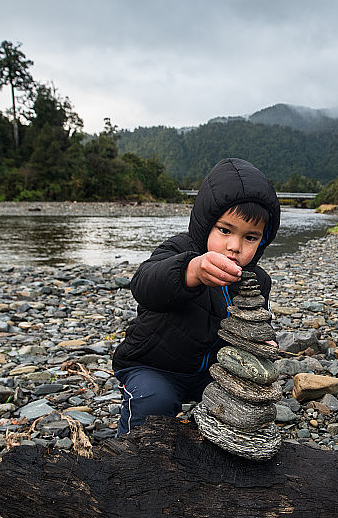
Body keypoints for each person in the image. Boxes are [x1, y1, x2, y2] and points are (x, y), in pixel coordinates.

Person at [112, 158, 281, 436]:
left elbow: (255, 325)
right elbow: (143, 285)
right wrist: (191, 270)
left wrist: (263, 343)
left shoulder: (257, 281)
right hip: (153, 366)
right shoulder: (180, 249)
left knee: (244, 409)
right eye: (225, 230)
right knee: (155, 401)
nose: (234, 246)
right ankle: (128, 456)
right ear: (206, 224)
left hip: (212, 373)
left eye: (250, 237)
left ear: (263, 240)